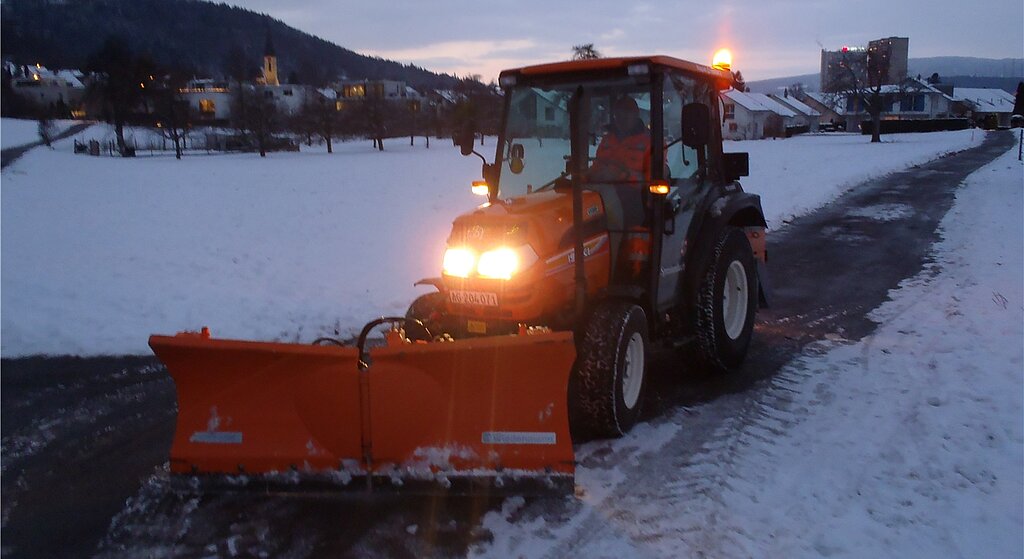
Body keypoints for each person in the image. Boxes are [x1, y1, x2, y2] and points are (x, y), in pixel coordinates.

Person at [589, 96, 651, 183]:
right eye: (618, 115)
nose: (621, 120)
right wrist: (586, 176)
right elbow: (597, 165)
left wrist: (621, 176)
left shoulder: (650, 142)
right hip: (603, 191)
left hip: (636, 194)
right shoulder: (607, 140)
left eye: (626, 115)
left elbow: (652, 178)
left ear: (636, 115)